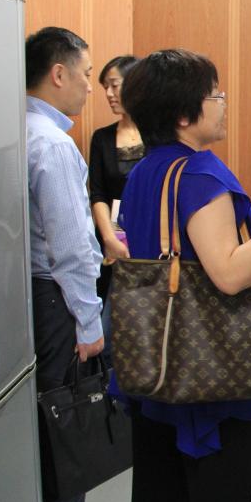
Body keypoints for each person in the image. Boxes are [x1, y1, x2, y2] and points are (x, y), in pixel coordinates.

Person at [117, 49, 251, 502]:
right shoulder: (199, 172)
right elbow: (229, 274)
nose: (224, 102)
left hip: (158, 369)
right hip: (211, 378)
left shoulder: (145, 171)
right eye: (215, 94)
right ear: (184, 114)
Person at [24, 26, 105, 502]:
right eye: (87, 74)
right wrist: (90, 324)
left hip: (29, 298)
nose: (91, 87)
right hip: (58, 304)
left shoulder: (16, 129)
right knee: (66, 443)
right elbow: (72, 249)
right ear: (59, 73)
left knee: (40, 439)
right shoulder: (53, 145)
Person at [88, 55, 141, 361]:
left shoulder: (160, 135)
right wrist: (109, 238)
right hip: (115, 245)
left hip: (155, 243)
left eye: (114, 85)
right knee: (108, 332)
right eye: (104, 87)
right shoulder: (102, 138)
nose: (108, 93)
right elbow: (98, 194)